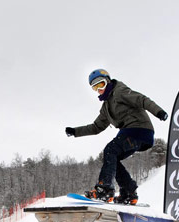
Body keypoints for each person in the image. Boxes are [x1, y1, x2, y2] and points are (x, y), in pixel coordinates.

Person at [65, 69, 168, 204]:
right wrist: (75, 131)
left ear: (108, 81)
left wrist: (159, 112)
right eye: (95, 88)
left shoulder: (120, 92)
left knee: (110, 150)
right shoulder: (106, 107)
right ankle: (129, 192)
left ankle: (105, 189)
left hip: (139, 129)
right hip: (131, 132)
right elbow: (96, 127)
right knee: (112, 158)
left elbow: (141, 99)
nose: (99, 89)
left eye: (101, 84)